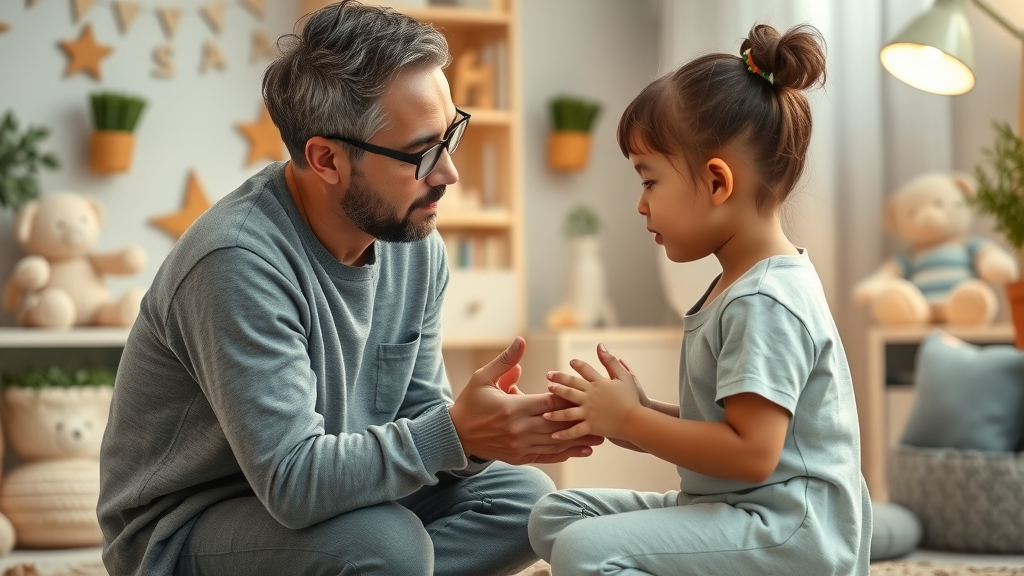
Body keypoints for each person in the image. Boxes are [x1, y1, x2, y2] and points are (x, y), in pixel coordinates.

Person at [97, 2, 601, 575]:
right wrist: (454, 432)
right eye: (420, 154)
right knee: (384, 545)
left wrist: (483, 436)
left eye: (450, 136)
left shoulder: (414, 245)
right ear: (326, 159)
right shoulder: (236, 262)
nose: (448, 174)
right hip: (186, 527)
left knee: (527, 503)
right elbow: (292, 482)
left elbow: (416, 412)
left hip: (332, 496)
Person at [527, 23, 872, 576]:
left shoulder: (767, 299)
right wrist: (634, 413)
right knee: (558, 514)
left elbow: (752, 454)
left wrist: (634, 423)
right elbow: (725, 434)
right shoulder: (738, 285)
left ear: (716, 183)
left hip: (790, 535)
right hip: (732, 511)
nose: (641, 206)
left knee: (580, 551)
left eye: (649, 181)